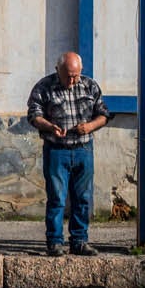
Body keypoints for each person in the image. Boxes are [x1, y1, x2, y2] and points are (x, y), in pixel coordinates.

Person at [26, 51, 110, 256]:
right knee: (57, 198)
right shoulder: (43, 87)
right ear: (58, 70)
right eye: (68, 76)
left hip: (83, 149)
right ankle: (55, 242)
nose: (72, 80)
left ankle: (79, 241)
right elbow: (33, 115)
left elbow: (104, 115)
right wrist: (49, 126)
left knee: (82, 198)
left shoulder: (89, 85)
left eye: (76, 75)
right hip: (57, 150)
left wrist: (89, 127)